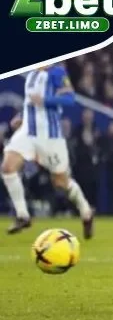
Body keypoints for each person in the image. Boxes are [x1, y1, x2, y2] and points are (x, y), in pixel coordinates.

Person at [2, 65, 94, 238]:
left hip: (49, 135)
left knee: (60, 182)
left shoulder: (56, 72)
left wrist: (45, 100)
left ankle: (86, 211)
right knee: (7, 167)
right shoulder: (31, 74)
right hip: (28, 131)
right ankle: (23, 215)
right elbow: (31, 101)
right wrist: (21, 116)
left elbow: (70, 98)